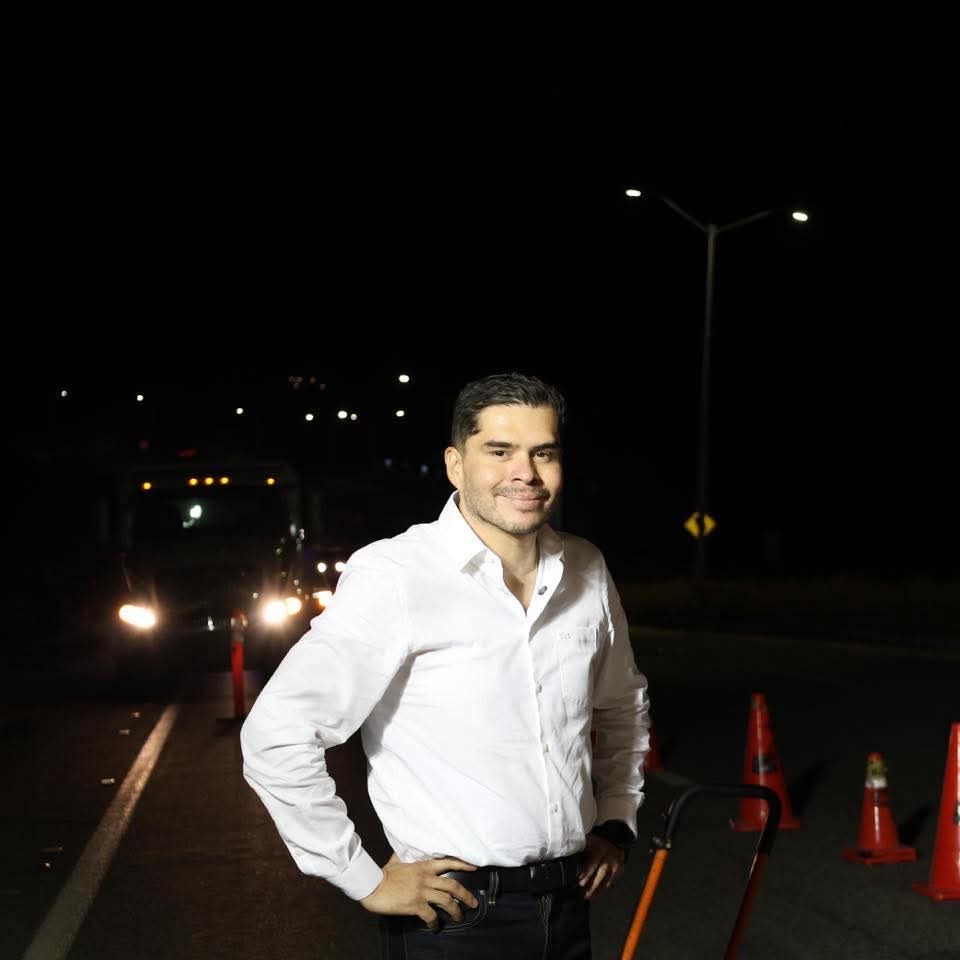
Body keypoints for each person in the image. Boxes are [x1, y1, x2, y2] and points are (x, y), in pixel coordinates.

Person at [241, 373, 650, 959]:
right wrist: (364, 878)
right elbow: (277, 734)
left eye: (543, 453)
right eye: (499, 451)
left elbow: (621, 706)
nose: (526, 473)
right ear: (456, 465)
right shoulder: (396, 575)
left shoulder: (586, 568)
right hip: (455, 919)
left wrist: (615, 821)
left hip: (567, 904)